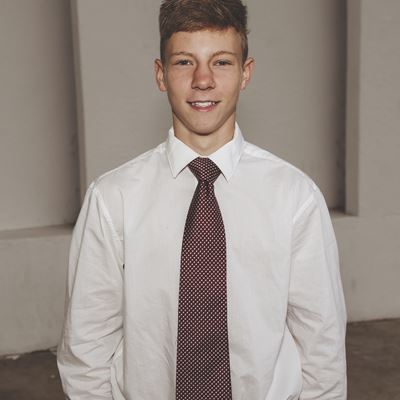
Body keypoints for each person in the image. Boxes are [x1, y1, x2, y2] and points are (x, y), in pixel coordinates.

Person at [57, 0, 347, 399]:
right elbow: (86, 347)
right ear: (161, 75)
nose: (203, 80)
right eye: (184, 62)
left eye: (222, 62)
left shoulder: (295, 197)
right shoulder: (113, 199)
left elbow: (321, 345)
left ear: (246, 73)